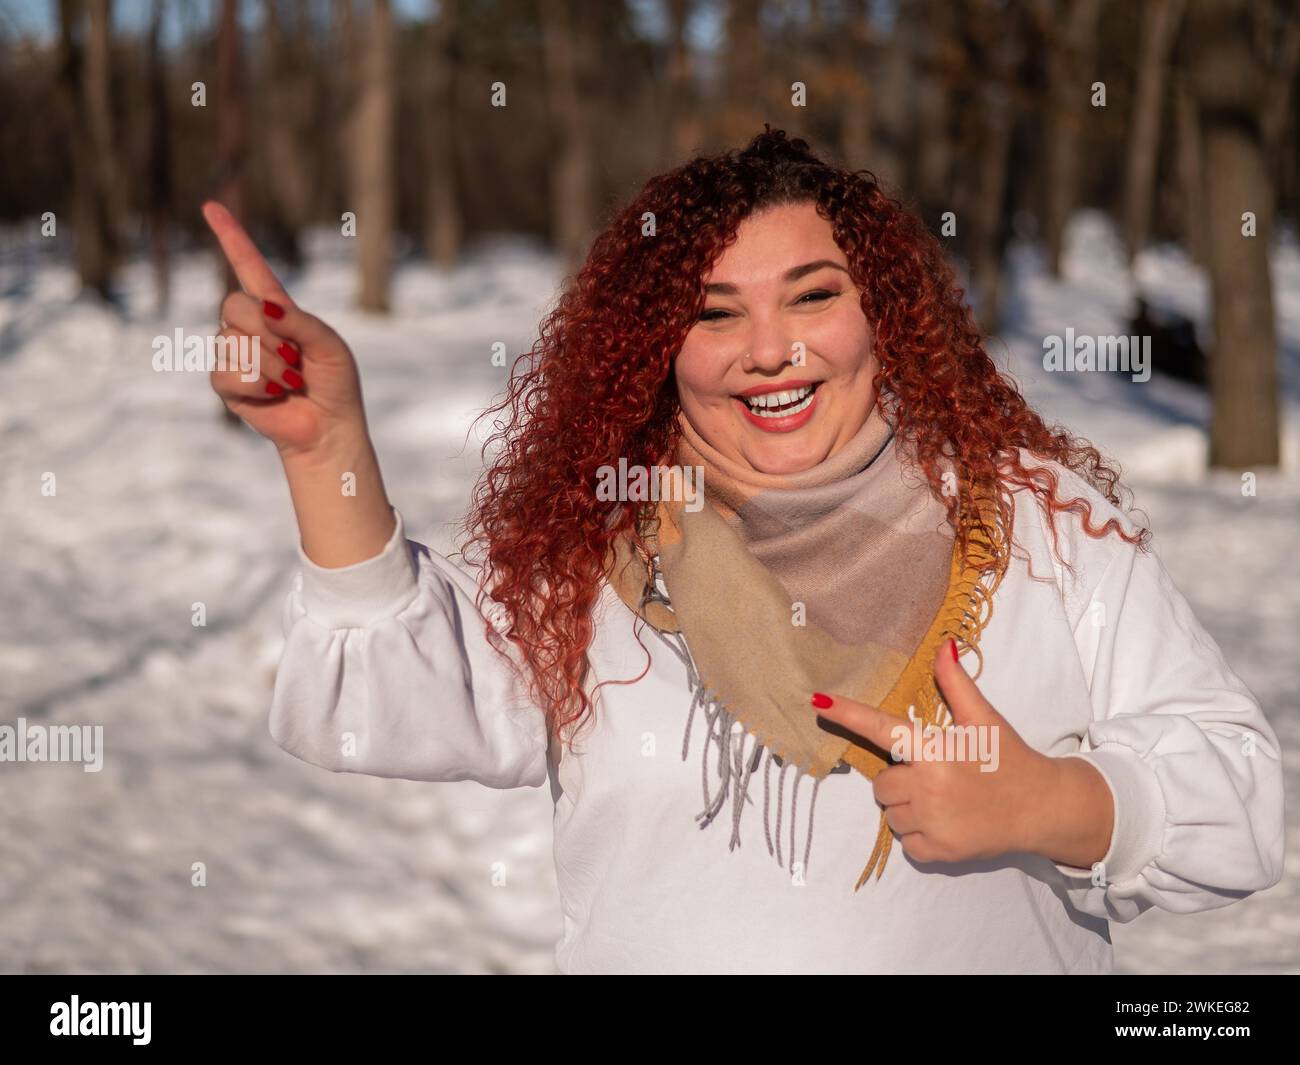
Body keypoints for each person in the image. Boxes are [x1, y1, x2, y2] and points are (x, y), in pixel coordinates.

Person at [203, 129, 1284, 975]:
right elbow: (383, 696)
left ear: (883, 312)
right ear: (657, 352)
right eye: (715, 315)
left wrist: (1054, 802)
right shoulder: (601, 538)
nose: (770, 350)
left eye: (813, 295)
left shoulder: (1036, 523)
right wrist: (329, 445)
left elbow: (1239, 804)